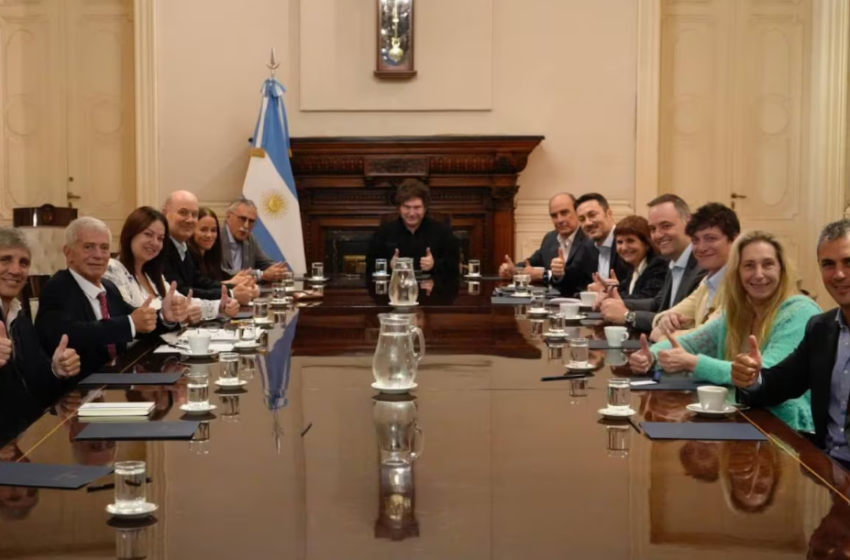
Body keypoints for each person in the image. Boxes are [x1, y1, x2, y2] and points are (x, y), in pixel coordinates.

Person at [631, 230, 820, 432]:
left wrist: (694, 363)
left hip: (787, 428)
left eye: (768, 264)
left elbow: (767, 375)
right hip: (739, 417)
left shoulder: (800, 312)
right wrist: (650, 356)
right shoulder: (737, 312)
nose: (759, 274)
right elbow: (688, 343)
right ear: (737, 273)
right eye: (749, 266)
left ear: (781, 270)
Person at [731, 219, 850, 467]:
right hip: (826, 470)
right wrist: (752, 378)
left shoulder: (801, 311)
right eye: (828, 264)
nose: (839, 274)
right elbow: (778, 384)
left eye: (848, 262)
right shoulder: (821, 328)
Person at [36, 217, 188, 376]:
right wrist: (130, 323)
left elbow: (137, 320)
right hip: (83, 383)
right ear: (68, 253)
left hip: (119, 376)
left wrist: (164, 316)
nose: (98, 255)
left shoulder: (108, 287)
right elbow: (71, 333)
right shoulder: (58, 287)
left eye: (104, 248)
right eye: (88, 247)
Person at [599, 194, 705, 332]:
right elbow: (657, 303)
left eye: (666, 226)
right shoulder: (674, 262)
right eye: (653, 229)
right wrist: (616, 302)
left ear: (689, 224)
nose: (658, 235)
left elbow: (680, 323)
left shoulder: (702, 267)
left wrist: (628, 316)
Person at [0, 227, 80, 403]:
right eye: (5, 260)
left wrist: (57, 370)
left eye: (23, 263)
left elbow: (39, 386)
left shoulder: (22, 321)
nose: (16, 270)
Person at [650, 203, 741, 341]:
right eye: (695, 240)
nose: (701, 248)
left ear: (734, 239)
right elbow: (662, 317)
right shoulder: (707, 282)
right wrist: (666, 319)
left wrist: (662, 335)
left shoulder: (740, 284)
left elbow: (707, 339)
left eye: (710, 238)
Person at [103, 207, 205, 323]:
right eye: (148, 234)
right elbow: (128, 318)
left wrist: (217, 307)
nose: (155, 243)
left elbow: (185, 303)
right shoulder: (112, 269)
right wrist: (164, 316)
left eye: (160, 238)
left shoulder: (152, 275)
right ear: (130, 234)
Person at [161, 190, 254, 305]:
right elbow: (180, 292)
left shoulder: (183, 246)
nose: (190, 219)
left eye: (194, 215)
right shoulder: (161, 247)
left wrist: (235, 287)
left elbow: (198, 282)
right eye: (183, 212)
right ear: (165, 213)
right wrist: (231, 293)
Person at [497, 193, 597, 296]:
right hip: (551, 300)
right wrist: (513, 270)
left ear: (577, 212)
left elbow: (578, 277)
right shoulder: (550, 238)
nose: (559, 220)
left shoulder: (590, 239)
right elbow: (530, 263)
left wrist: (544, 275)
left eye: (564, 213)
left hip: (578, 300)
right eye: (554, 216)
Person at [366, 179, 460, 275]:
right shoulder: (383, 233)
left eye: (417, 207)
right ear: (399, 208)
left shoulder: (443, 233)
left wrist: (434, 265)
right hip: (396, 284)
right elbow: (369, 268)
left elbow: (454, 269)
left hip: (431, 283)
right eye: (407, 207)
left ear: (425, 208)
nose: (411, 213)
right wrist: (389, 265)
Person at [587, 215, 667, 299]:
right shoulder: (632, 268)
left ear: (647, 243)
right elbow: (624, 294)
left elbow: (644, 299)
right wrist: (608, 288)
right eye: (619, 242)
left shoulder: (659, 265)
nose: (624, 248)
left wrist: (605, 292)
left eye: (630, 241)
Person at [221, 197, 289, 282]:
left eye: (251, 221)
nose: (246, 226)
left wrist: (277, 270)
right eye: (242, 219)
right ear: (228, 216)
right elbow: (223, 272)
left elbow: (265, 263)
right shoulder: (215, 237)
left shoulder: (249, 238)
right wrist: (262, 275)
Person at [574, 193, 632, 283]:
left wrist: (616, 289)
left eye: (592, 215)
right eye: (582, 219)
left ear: (609, 214)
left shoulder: (628, 242)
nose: (587, 223)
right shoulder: (587, 248)